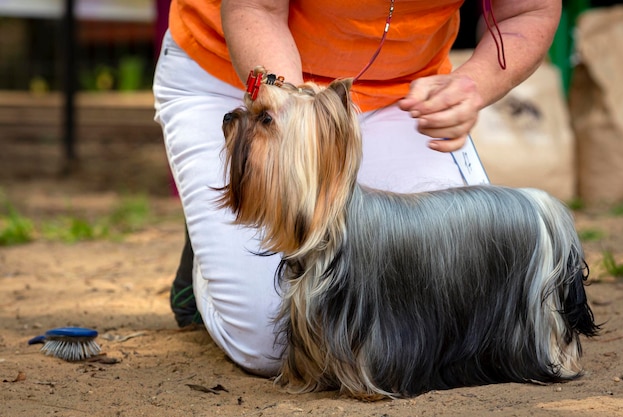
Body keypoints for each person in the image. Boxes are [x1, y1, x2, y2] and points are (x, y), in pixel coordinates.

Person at [153, 0, 561, 377]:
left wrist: (474, 83)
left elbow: (530, 9)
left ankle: (256, 196)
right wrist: (294, 121)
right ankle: (232, 222)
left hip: (403, 92)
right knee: (268, 343)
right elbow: (257, 7)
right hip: (230, 70)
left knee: (467, 276)